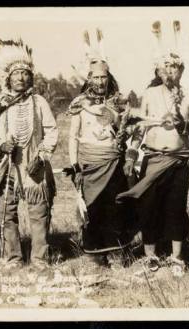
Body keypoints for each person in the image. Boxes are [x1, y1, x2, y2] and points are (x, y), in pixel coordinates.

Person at [117, 52, 189, 273]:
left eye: (175, 68)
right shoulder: (149, 94)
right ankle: (150, 256)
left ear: (181, 71)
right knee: (149, 208)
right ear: (159, 72)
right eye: (166, 68)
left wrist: (184, 125)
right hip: (152, 158)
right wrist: (131, 155)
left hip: (178, 162)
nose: (170, 72)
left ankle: (176, 258)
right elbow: (139, 130)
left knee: (175, 208)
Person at [0, 38, 58, 270]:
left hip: (33, 164)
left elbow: (52, 131)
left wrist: (42, 154)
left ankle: (39, 259)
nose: (21, 78)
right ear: (8, 77)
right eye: (16, 74)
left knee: (39, 212)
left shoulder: (39, 102)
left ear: (30, 77)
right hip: (6, 165)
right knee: (6, 212)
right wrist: (0, 146)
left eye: (25, 73)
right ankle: (12, 257)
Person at [67, 31, 137, 267]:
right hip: (89, 163)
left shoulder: (119, 102)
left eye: (103, 77)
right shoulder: (79, 104)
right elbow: (73, 137)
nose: (99, 82)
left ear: (109, 78)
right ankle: (96, 256)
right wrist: (74, 164)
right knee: (93, 209)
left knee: (115, 207)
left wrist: (116, 118)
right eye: (95, 78)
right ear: (88, 79)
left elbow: (127, 132)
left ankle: (118, 254)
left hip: (113, 162)